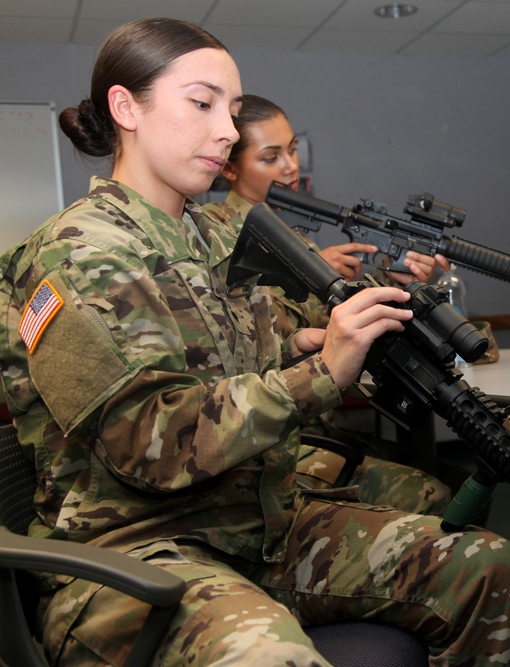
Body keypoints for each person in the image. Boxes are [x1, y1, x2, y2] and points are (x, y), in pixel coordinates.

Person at [0, 17, 510, 667]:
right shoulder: (75, 254)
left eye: (233, 110)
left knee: (486, 565)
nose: (226, 130)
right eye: (202, 103)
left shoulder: (201, 245)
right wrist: (322, 373)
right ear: (125, 106)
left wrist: (305, 341)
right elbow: (145, 445)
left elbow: (237, 350)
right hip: (138, 553)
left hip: (259, 520)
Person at [202, 94, 452, 515]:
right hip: (270, 428)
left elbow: (330, 320)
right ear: (229, 167)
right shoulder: (218, 233)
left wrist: (389, 283)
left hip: (314, 418)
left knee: (449, 477)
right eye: (271, 157)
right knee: (436, 491)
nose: (290, 167)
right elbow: (253, 331)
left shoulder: (289, 232)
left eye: (292, 150)